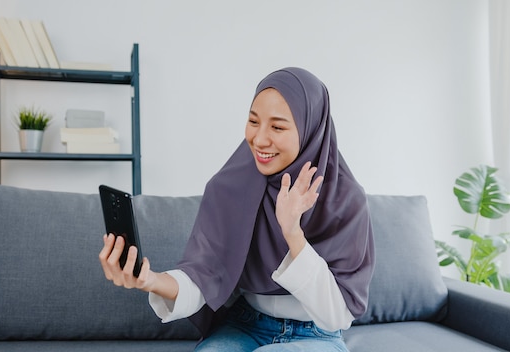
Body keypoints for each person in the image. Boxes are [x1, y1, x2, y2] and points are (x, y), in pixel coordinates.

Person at [99, 67, 375, 351]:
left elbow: (338, 315)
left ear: (311, 130)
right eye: (253, 121)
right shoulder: (230, 185)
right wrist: (151, 281)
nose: (259, 139)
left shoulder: (346, 199)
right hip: (246, 324)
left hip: (317, 335)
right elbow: (204, 275)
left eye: (277, 127)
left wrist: (293, 233)